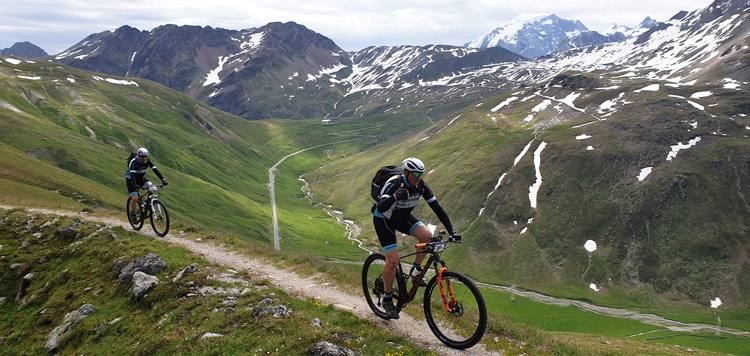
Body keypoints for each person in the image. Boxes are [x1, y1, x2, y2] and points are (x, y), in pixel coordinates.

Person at [372, 157, 460, 319]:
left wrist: (452, 231)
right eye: (415, 173)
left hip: (402, 218)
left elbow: (437, 208)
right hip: (383, 220)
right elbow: (380, 206)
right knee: (393, 260)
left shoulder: (421, 185)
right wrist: (395, 197)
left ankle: (416, 272)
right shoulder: (394, 184)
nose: (419, 176)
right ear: (405, 172)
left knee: (428, 237)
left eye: (421, 173)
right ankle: (387, 298)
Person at [126, 147, 167, 222]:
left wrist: (163, 179)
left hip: (141, 178)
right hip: (131, 180)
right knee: (135, 198)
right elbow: (132, 175)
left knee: (152, 187)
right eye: (143, 156)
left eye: (146, 156)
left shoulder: (148, 161)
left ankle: (147, 204)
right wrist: (135, 185)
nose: (145, 158)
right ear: (139, 156)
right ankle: (133, 214)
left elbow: (156, 171)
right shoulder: (134, 162)